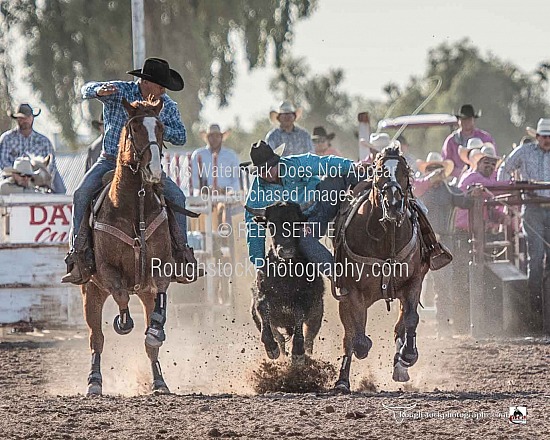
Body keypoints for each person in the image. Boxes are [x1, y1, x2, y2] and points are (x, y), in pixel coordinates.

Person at [62, 57, 197, 285]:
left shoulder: (167, 106)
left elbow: (181, 136)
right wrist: (99, 90)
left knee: (177, 196)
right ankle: (79, 254)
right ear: (146, 82)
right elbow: (86, 89)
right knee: (81, 194)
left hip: (147, 165)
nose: (163, 89)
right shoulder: (119, 91)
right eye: (160, 84)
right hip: (110, 161)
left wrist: (156, 125)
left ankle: (181, 254)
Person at [244, 140, 361, 285]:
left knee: (345, 174)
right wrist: (259, 263)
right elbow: (254, 229)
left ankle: (376, 187)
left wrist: (352, 166)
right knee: (304, 239)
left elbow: (322, 163)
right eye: (262, 171)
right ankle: (339, 277)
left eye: (270, 167)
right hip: (305, 221)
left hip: (323, 201)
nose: (267, 173)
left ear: (277, 162)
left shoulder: (294, 164)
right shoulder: (256, 196)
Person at [413, 152, 476, 336]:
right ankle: (416, 326)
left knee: (444, 284)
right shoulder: (420, 190)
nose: (435, 173)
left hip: (443, 242)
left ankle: (443, 326)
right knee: (413, 283)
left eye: (437, 169)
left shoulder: (449, 190)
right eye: (431, 169)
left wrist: (474, 194)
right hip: (420, 241)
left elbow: (466, 202)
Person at [497, 118, 550, 331]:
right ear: (537, 137)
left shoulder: (527, 151)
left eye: (549, 136)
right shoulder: (525, 151)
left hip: (542, 206)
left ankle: (542, 307)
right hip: (534, 208)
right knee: (536, 258)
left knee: (542, 258)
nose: (547, 140)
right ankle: (536, 306)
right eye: (544, 136)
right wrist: (513, 188)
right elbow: (504, 170)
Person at [453, 143, 504, 333]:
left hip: (478, 233)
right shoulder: (473, 178)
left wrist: (500, 216)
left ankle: (475, 322)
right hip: (464, 233)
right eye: (486, 163)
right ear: (478, 162)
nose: (490, 166)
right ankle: (462, 323)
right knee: (462, 277)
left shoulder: (483, 180)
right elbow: (493, 190)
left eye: (492, 163)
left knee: (476, 275)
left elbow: (492, 203)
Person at [0, 104, 65, 193]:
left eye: (27, 117)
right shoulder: (6, 139)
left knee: (59, 187)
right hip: (13, 181)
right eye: (21, 118)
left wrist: (34, 177)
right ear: (17, 119)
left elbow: (51, 166)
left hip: (38, 181)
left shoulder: (44, 141)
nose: (24, 120)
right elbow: (3, 163)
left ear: (32, 118)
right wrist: (19, 175)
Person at [442, 104, 497, 179]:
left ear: (473, 120)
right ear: (459, 121)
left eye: (469, 119)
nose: (466, 122)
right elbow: (446, 164)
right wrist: (460, 173)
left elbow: (493, 158)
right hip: (457, 180)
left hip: (484, 178)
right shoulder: (451, 141)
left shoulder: (485, 138)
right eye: (463, 119)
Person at [190, 124, 241, 194]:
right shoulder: (198, 154)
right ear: (207, 138)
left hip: (227, 196)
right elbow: (193, 178)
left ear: (221, 137)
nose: (214, 139)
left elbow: (237, 179)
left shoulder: (231, 155)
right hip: (203, 196)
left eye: (217, 136)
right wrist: (206, 189)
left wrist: (227, 190)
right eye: (211, 136)